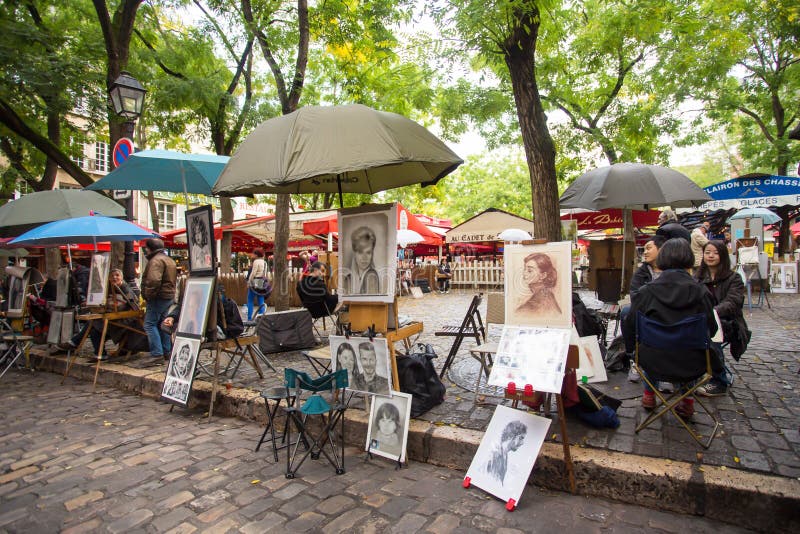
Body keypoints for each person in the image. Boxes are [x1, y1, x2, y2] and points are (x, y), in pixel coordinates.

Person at [623, 238, 718, 417]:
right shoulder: (701, 292)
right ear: (689, 259)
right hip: (693, 363)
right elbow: (711, 330)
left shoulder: (646, 292)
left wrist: (631, 354)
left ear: (663, 258)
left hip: (652, 361)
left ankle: (649, 395)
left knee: (652, 343)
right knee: (687, 345)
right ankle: (687, 401)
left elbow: (630, 325)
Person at [694, 240, 749, 397]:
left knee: (710, 332)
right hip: (702, 320)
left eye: (715, 253)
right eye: (707, 252)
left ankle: (720, 380)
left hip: (729, 323)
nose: (710, 256)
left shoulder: (734, 278)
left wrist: (711, 312)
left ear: (723, 255)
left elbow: (732, 303)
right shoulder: (697, 277)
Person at [59, 269, 139, 360]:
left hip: (123, 321)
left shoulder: (124, 287)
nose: (114, 277)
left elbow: (133, 303)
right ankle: (100, 354)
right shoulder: (109, 288)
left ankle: (74, 342)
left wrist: (119, 307)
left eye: (117, 275)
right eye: (112, 276)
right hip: (111, 319)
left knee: (93, 323)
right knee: (94, 329)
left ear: (121, 277)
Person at [624, 235, 666, 383]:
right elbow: (636, 296)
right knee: (626, 312)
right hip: (645, 311)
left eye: (649, 248)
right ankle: (635, 358)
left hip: (667, 314)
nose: (645, 252)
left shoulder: (672, 273)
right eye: (644, 250)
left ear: (661, 250)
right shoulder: (641, 273)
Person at [140, 238, 177, 363]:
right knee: (163, 323)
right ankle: (166, 351)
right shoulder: (168, 260)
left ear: (150, 249)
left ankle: (157, 354)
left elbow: (154, 280)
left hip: (158, 297)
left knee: (149, 324)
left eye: (146, 248)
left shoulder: (156, 261)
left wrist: (148, 295)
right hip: (168, 296)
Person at [515, 252, 562, 317]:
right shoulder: (543, 294)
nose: (524, 273)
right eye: (524, 269)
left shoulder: (541, 299)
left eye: (529, 270)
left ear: (543, 275)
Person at [485, 420, 527, 485]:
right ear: (511, 436)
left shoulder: (503, 454)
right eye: (521, 438)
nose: (522, 443)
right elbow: (492, 481)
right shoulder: (496, 454)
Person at [344, 226, 380, 294]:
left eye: (368, 252)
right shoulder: (348, 278)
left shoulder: (371, 276)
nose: (364, 257)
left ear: (372, 254)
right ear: (354, 253)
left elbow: (371, 303)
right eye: (360, 252)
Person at [247, 247, 268, 320]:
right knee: (261, 299)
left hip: (255, 281)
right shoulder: (264, 262)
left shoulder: (256, 262)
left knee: (250, 300)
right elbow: (265, 274)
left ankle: (249, 318)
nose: (252, 254)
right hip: (261, 281)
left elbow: (253, 273)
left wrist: (249, 281)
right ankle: (261, 317)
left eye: (253, 253)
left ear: (256, 254)